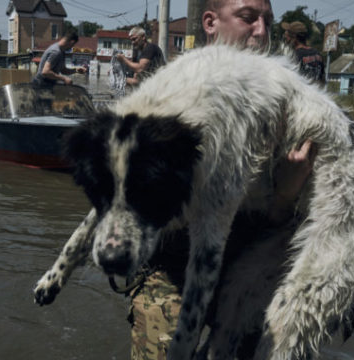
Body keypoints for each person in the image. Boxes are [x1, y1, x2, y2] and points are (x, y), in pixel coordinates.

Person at [126, 1, 315, 358]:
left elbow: (280, 226)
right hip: (171, 277)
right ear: (210, 22)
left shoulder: (284, 106)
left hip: (243, 285)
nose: (261, 32)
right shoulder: (172, 95)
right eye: (248, 18)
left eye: (267, 22)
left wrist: (287, 192)